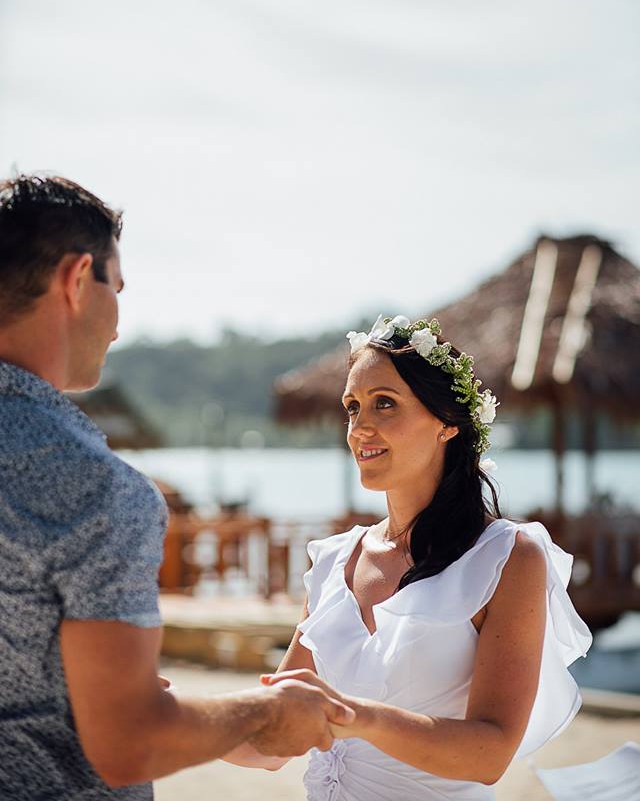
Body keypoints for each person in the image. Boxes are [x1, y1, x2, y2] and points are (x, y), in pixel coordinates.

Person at [0, 174, 354, 801]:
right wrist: (269, 712)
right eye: (119, 288)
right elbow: (129, 743)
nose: (117, 323)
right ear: (77, 279)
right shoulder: (93, 488)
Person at [226, 314, 593, 799]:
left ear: (447, 423)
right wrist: (168, 715)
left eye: (385, 404)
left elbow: (490, 755)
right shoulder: (335, 561)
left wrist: (354, 718)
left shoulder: (507, 558)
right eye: (352, 408)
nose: (361, 428)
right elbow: (272, 746)